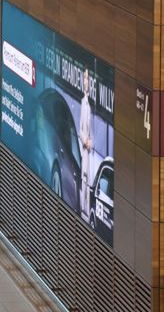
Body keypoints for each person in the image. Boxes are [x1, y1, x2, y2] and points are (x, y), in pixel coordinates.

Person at [78, 69, 94, 220]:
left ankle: (88, 210)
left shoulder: (93, 105)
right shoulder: (83, 102)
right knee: (84, 177)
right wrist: (85, 141)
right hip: (85, 149)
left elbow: (94, 130)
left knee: (90, 181)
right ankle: (83, 209)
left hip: (92, 151)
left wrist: (91, 142)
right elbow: (80, 129)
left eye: (87, 78)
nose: (85, 81)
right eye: (84, 78)